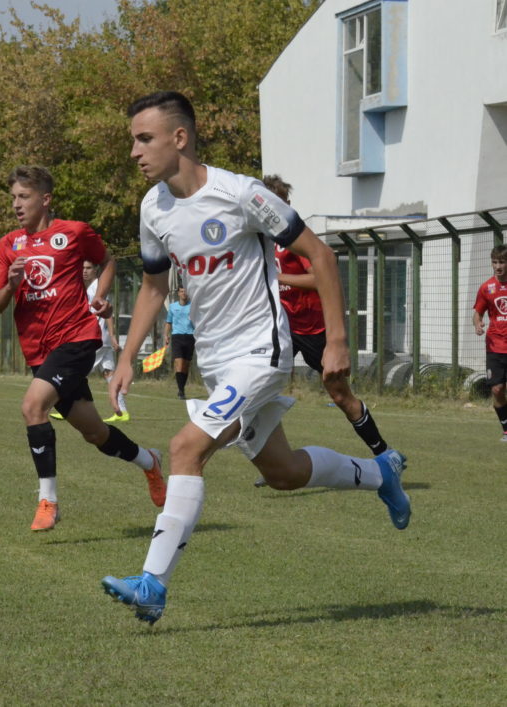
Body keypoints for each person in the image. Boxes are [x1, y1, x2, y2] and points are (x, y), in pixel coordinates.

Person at [100, 91, 410, 625]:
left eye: (144, 138)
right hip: (219, 363)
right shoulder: (154, 207)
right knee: (284, 472)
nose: (134, 151)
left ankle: (152, 583)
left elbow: (320, 254)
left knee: (185, 449)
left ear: (180, 138)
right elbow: (153, 286)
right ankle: (380, 473)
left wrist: (336, 341)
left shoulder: (242, 194)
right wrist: (128, 355)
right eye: (133, 140)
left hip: (262, 352)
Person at [0, 165, 167, 531]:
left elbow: (107, 261)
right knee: (95, 433)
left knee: (32, 406)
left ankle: (48, 501)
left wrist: (99, 297)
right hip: (39, 352)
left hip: (77, 338)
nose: (17, 205)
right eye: (14, 199)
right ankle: (150, 462)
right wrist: (12, 282)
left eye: (24, 197)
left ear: (45, 199)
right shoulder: (8, 245)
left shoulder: (73, 233)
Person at [261, 174, 389, 459]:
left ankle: (384, 454)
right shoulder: (258, 240)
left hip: (313, 329)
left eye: (282, 204)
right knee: (260, 386)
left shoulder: (295, 239)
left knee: (341, 396)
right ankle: (276, 463)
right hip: (281, 326)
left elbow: (321, 277)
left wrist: (278, 276)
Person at [55, 264, 128, 421]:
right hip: (103, 338)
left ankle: (65, 408)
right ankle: (123, 412)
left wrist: (113, 335)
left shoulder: (97, 287)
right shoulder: (90, 288)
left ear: (96, 270)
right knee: (109, 373)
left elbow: (107, 312)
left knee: (76, 370)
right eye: (82, 268)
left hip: (97, 338)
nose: (84, 271)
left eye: (88, 268)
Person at [472, 244, 507, 442]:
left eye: (502, 262)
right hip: (495, 346)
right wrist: (477, 325)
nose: (498, 266)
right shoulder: (487, 287)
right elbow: (477, 312)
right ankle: (506, 429)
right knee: (497, 389)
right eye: (495, 262)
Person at [164, 286, 194, 399]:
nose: (184, 293)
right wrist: (166, 335)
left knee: (186, 365)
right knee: (179, 364)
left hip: (190, 336)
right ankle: (180, 390)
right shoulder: (172, 307)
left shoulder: (193, 306)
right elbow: (168, 322)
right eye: (181, 291)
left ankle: (182, 388)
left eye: (185, 291)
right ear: (178, 293)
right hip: (177, 337)